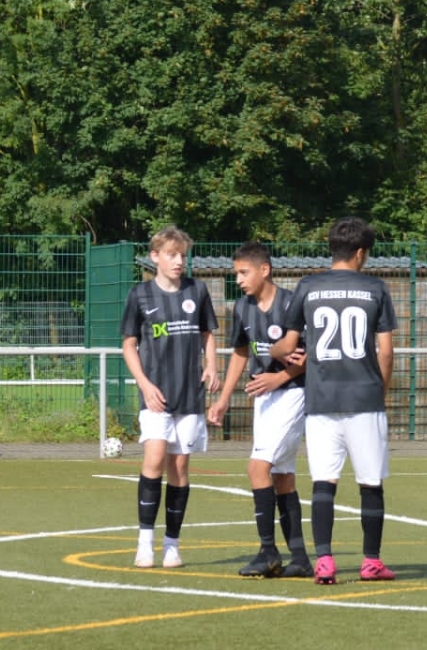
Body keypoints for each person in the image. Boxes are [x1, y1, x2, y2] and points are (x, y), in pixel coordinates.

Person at [270, 217, 397, 585]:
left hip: (321, 399)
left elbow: (288, 345)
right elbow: (386, 352)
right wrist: (381, 392)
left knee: (324, 482)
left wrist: (276, 350)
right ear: (360, 252)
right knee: (370, 482)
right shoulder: (375, 288)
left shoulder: (308, 287)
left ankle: (324, 561)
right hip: (364, 397)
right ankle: (371, 562)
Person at [209, 242, 312, 578]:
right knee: (282, 476)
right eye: (236, 273)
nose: (238, 279)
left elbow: (312, 354)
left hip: (293, 393)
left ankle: (268, 552)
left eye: (243, 272)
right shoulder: (242, 307)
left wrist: (279, 377)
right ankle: (300, 558)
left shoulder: (292, 304)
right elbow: (241, 352)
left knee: (257, 468)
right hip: (265, 399)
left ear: (264, 270)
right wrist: (224, 398)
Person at [120, 227, 219, 569]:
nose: (179, 261)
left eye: (182, 255)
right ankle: (144, 543)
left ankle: (172, 545)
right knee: (154, 460)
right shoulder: (140, 295)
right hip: (156, 396)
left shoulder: (197, 290)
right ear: (155, 257)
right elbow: (129, 345)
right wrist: (145, 385)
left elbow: (207, 334)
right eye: (171, 254)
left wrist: (212, 365)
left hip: (189, 395)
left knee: (179, 467)